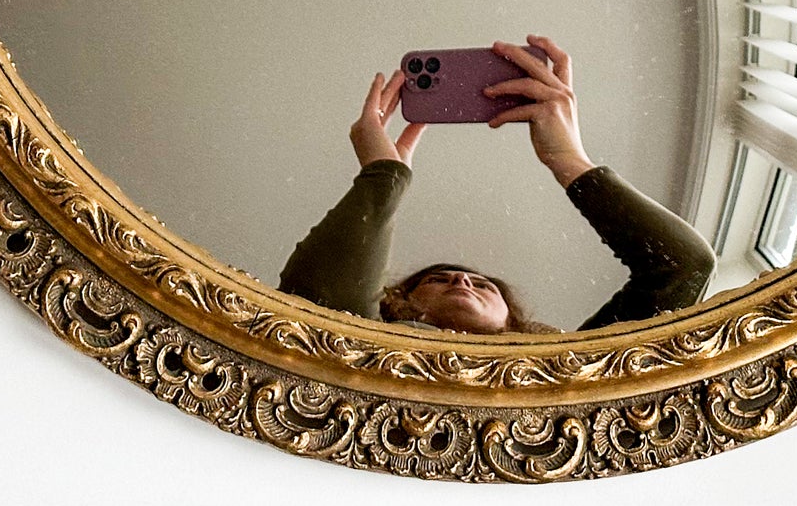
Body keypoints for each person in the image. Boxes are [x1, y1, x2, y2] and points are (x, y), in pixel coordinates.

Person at [279, 35, 716, 332]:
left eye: (483, 285)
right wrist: (384, 175)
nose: (463, 283)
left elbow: (682, 269)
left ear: (512, 320)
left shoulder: (572, 370)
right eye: (438, 280)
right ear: (398, 303)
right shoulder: (367, 338)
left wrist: (569, 160)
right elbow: (320, 302)